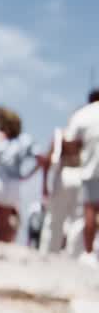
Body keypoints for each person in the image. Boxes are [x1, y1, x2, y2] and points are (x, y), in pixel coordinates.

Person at [0, 106, 39, 243]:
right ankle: (2, 252)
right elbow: (41, 159)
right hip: (13, 182)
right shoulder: (24, 139)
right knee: (4, 221)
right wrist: (27, 175)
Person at [64, 89, 99, 259]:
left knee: (90, 209)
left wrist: (78, 154)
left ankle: (90, 252)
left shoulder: (83, 114)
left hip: (91, 168)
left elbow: (69, 141)